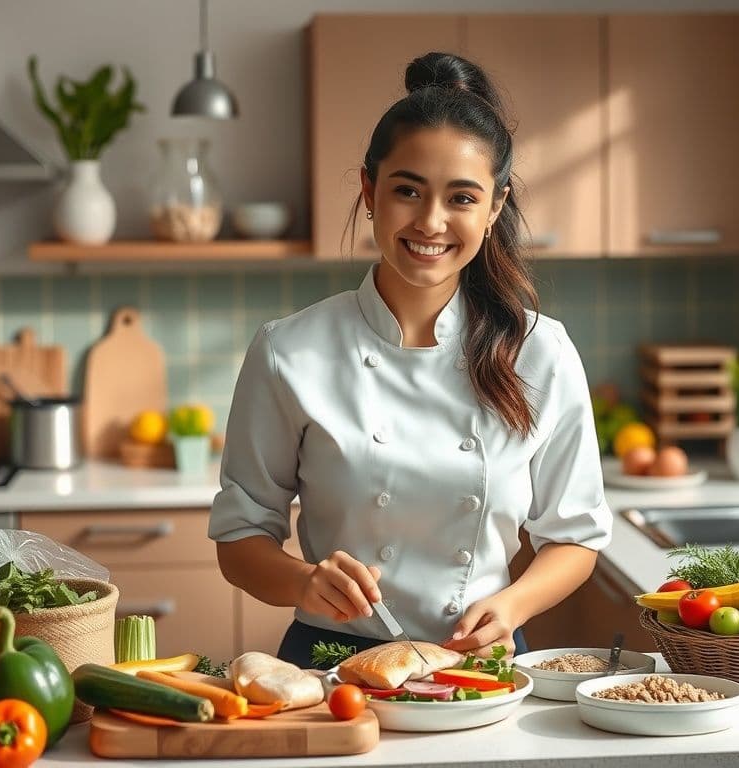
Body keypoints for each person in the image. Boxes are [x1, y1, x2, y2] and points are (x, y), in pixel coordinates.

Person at [208, 51, 612, 669]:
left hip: (480, 662)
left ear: (494, 208)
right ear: (369, 190)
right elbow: (240, 539)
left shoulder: (539, 350)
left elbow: (575, 538)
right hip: (330, 663)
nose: (430, 221)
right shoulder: (289, 351)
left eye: (461, 198)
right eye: (407, 191)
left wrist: (513, 606)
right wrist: (302, 582)